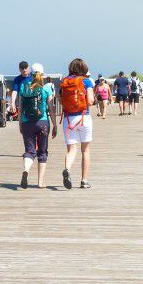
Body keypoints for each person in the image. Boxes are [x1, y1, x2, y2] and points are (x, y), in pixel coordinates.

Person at [58, 58, 96, 189]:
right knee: (85, 150)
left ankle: (67, 169)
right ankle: (84, 180)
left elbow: (60, 100)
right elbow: (90, 101)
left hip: (69, 119)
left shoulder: (64, 81)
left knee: (71, 149)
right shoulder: (86, 81)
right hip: (84, 117)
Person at [16, 62, 54, 188]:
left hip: (27, 123)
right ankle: (40, 182)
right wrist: (55, 125)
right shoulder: (46, 88)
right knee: (42, 152)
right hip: (42, 123)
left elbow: (20, 107)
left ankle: (26, 170)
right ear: (42, 74)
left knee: (29, 151)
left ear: (31, 74)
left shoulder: (24, 87)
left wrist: (20, 124)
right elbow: (51, 108)